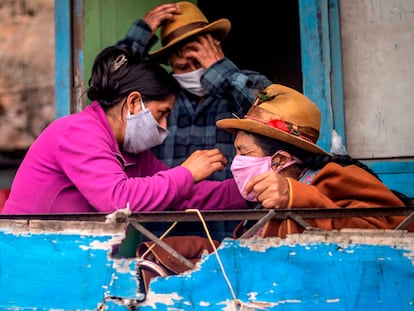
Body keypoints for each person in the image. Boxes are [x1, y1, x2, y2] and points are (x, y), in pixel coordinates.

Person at [1, 45, 249, 214]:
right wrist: (186, 172)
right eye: (162, 113)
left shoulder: (132, 153)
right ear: (133, 102)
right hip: (31, 258)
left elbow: (184, 195)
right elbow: (117, 199)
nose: (164, 127)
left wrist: (249, 190)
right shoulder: (79, 132)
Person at [117, 1, 272, 181]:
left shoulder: (249, 83)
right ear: (170, 64)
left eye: (199, 63)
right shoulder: (158, 95)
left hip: (231, 205)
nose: (192, 71)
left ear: (216, 49)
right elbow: (111, 84)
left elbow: (275, 118)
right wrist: (138, 36)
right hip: (168, 205)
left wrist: (220, 70)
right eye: (183, 66)